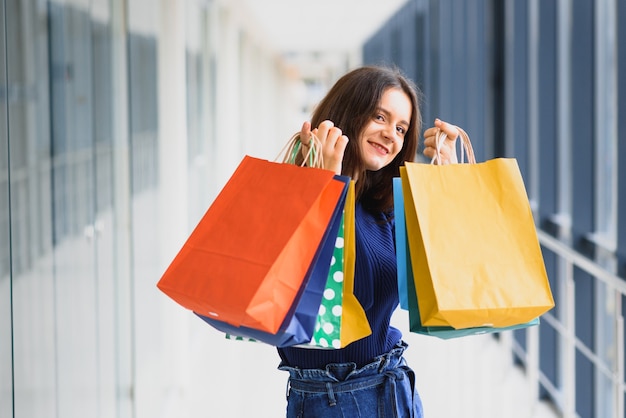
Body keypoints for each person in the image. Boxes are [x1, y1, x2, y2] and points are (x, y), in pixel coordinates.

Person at [277, 65, 461, 417]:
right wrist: (326, 185)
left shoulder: (383, 212)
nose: (391, 134)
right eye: (380, 116)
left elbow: (438, 289)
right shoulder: (297, 193)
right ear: (350, 112)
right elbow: (297, 296)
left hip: (394, 387)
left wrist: (446, 183)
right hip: (331, 399)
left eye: (401, 128)